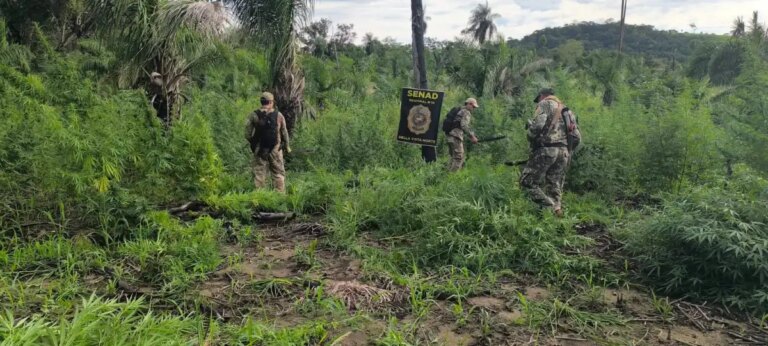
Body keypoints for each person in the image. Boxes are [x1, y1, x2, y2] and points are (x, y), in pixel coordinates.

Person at [520, 88, 579, 217]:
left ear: (542, 96)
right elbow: (577, 136)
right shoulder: (567, 111)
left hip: (547, 149)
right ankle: (557, 213)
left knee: (527, 182)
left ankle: (550, 206)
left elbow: (538, 125)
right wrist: (566, 151)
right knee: (554, 184)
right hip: (564, 152)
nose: (538, 102)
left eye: (538, 99)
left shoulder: (545, 104)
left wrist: (530, 136)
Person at [245, 92, 291, 193]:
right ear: (271, 102)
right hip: (276, 149)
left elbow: (247, 134)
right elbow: (284, 132)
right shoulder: (279, 115)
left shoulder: (253, 115)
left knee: (259, 172)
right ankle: (280, 197)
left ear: (261, 101)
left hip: (260, 149)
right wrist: (287, 146)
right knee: (278, 173)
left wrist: (254, 144)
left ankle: (260, 197)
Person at [443, 98, 480, 171]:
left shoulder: (459, 111)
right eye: (473, 107)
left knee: (453, 157)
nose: (474, 109)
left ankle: (446, 176)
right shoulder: (466, 112)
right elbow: (464, 125)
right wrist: (472, 137)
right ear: (469, 104)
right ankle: (452, 178)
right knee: (458, 158)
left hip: (450, 136)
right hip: (456, 137)